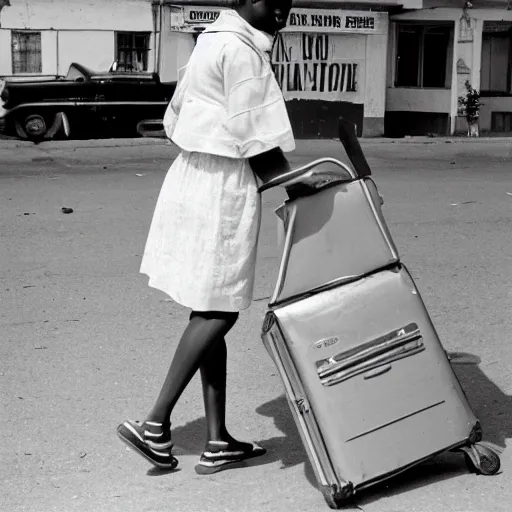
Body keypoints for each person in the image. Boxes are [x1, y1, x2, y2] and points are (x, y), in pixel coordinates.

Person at [117, 0, 294, 475]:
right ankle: (155, 423)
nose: (284, 8)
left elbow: (176, 117)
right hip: (223, 185)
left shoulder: (210, 41)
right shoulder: (241, 51)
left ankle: (217, 441)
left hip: (193, 175)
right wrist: (301, 185)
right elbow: (257, 137)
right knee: (220, 307)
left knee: (209, 303)